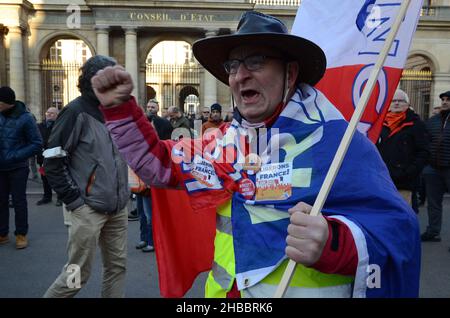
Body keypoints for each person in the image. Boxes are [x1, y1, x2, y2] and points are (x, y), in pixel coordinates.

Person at [92, 11, 420, 297]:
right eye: (233, 65)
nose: (239, 75)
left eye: (255, 61)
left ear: (290, 74)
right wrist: (120, 109)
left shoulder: (337, 141)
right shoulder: (223, 143)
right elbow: (157, 165)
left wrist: (335, 242)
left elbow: (396, 231)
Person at [43, 55, 130, 298]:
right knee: (76, 275)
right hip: (87, 209)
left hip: (118, 207)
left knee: (117, 268)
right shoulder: (75, 111)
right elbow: (51, 159)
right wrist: (74, 201)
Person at [0, 86, 42, 249]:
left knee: (19, 201)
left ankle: (21, 234)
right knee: (1, 201)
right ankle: (2, 233)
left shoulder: (26, 118)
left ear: (7, 103)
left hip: (18, 167)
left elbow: (37, 144)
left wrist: (15, 155)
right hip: (0, 168)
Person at [376, 89, 429, 207]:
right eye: (393, 100)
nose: (397, 103)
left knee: (403, 217)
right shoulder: (379, 124)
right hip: (382, 180)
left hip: (404, 182)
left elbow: (424, 152)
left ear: (407, 104)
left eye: (401, 101)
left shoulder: (416, 124)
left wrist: (409, 172)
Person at [421, 90, 450, 243]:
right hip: (432, 168)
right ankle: (433, 231)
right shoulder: (432, 121)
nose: (445, 102)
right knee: (433, 202)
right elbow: (424, 143)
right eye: (443, 99)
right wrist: (426, 165)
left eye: (448, 100)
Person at [36, 107, 62, 206]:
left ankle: (60, 197)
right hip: (42, 156)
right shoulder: (39, 126)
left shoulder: (59, 126)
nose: (49, 114)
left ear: (57, 115)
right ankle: (47, 197)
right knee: (44, 178)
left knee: (58, 177)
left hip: (56, 155)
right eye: (48, 113)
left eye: (52, 113)